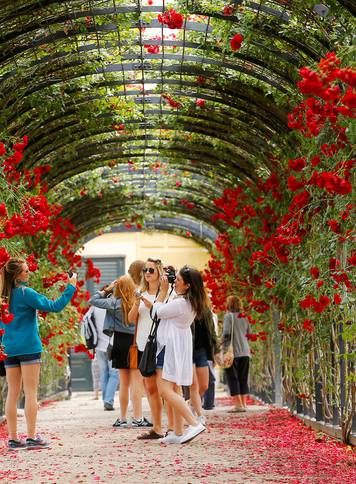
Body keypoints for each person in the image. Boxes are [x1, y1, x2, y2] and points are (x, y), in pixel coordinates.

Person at [0, 258, 76, 450]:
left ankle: (13, 438)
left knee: (13, 393)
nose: (28, 273)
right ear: (16, 276)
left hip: (9, 348)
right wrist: (71, 287)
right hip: (29, 348)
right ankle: (32, 436)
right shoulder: (26, 293)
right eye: (25, 271)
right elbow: (54, 306)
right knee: (31, 392)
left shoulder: (3, 297)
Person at [153, 265, 210, 444]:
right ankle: (178, 432)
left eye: (177, 280)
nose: (173, 282)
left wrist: (162, 292)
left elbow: (158, 312)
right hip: (178, 346)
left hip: (169, 348)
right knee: (175, 390)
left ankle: (193, 423)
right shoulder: (188, 302)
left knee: (165, 390)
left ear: (187, 285)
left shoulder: (181, 304)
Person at [90, 276, 151, 428]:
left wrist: (108, 289)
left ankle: (122, 418)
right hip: (134, 343)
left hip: (119, 343)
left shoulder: (114, 303)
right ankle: (138, 418)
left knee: (123, 384)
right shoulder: (137, 302)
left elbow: (94, 300)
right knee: (136, 383)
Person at [128, 258, 173, 440]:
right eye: (145, 270)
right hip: (143, 345)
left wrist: (150, 304)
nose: (147, 273)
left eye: (151, 270)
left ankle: (171, 426)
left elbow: (166, 315)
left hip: (161, 345)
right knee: (151, 389)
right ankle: (157, 427)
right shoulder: (141, 293)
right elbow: (131, 319)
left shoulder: (167, 293)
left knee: (166, 389)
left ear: (159, 273)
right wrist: (137, 302)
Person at [83, 304, 119, 410]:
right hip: (112, 345)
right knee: (114, 374)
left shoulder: (94, 307)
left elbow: (85, 320)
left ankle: (105, 401)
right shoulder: (113, 306)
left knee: (104, 373)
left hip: (98, 346)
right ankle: (108, 401)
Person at [222, 295, 252, 412]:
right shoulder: (245, 317)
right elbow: (249, 333)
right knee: (243, 378)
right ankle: (244, 404)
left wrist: (222, 348)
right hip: (245, 351)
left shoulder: (228, 317)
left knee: (233, 378)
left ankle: (238, 405)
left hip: (232, 353)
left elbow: (226, 333)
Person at [189, 307, 219, 424]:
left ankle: (191, 404)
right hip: (188, 350)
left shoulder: (206, 311)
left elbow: (212, 333)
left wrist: (215, 352)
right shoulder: (184, 308)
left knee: (204, 385)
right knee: (193, 385)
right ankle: (199, 414)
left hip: (202, 351)